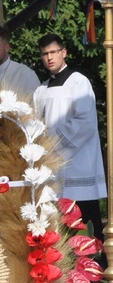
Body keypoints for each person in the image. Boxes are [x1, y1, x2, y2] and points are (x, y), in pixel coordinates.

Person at [33, 33, 107, 246]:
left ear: (64, 52)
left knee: (86, 223)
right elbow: (36, 124)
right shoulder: (40, 90)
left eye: (53, 52)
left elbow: (85, 122)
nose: (49, 58)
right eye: (45, 54)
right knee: (60, 227)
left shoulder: (79, 82)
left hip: (77, 164)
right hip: (52, 168)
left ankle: (96, 270)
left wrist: (53, 143)